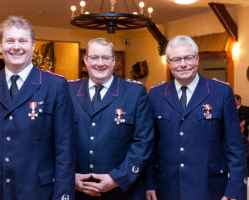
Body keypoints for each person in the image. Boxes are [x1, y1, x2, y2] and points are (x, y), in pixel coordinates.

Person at [0, 16, 75, 200]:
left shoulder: (55, 86)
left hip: (38, 193)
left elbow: (65, 151)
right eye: (10, 41)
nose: (16, 46)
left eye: (23, 41)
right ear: (1, 45)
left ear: (33, 45)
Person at [146, 35, 247, 200]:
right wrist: (149, 184)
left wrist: (234, 190)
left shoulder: (221, 92)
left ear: (197, 59)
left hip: (210, 188)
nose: (183, 64)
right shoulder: (156, 95)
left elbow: (235, 146)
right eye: (176, 59)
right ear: (169, 63)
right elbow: (150, 146)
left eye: (189, 57)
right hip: (167, 189)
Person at [68, 37, 154, 200]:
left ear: (114, 61)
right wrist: (68, 176)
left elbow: (143, 142)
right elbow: (58, 138)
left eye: (106, 58)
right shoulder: (68, 91)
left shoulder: (135, 93)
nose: (100, 63)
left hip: (122, 192)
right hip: (77, 191)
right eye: (94, 57)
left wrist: (118, 178)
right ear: (86, 60)